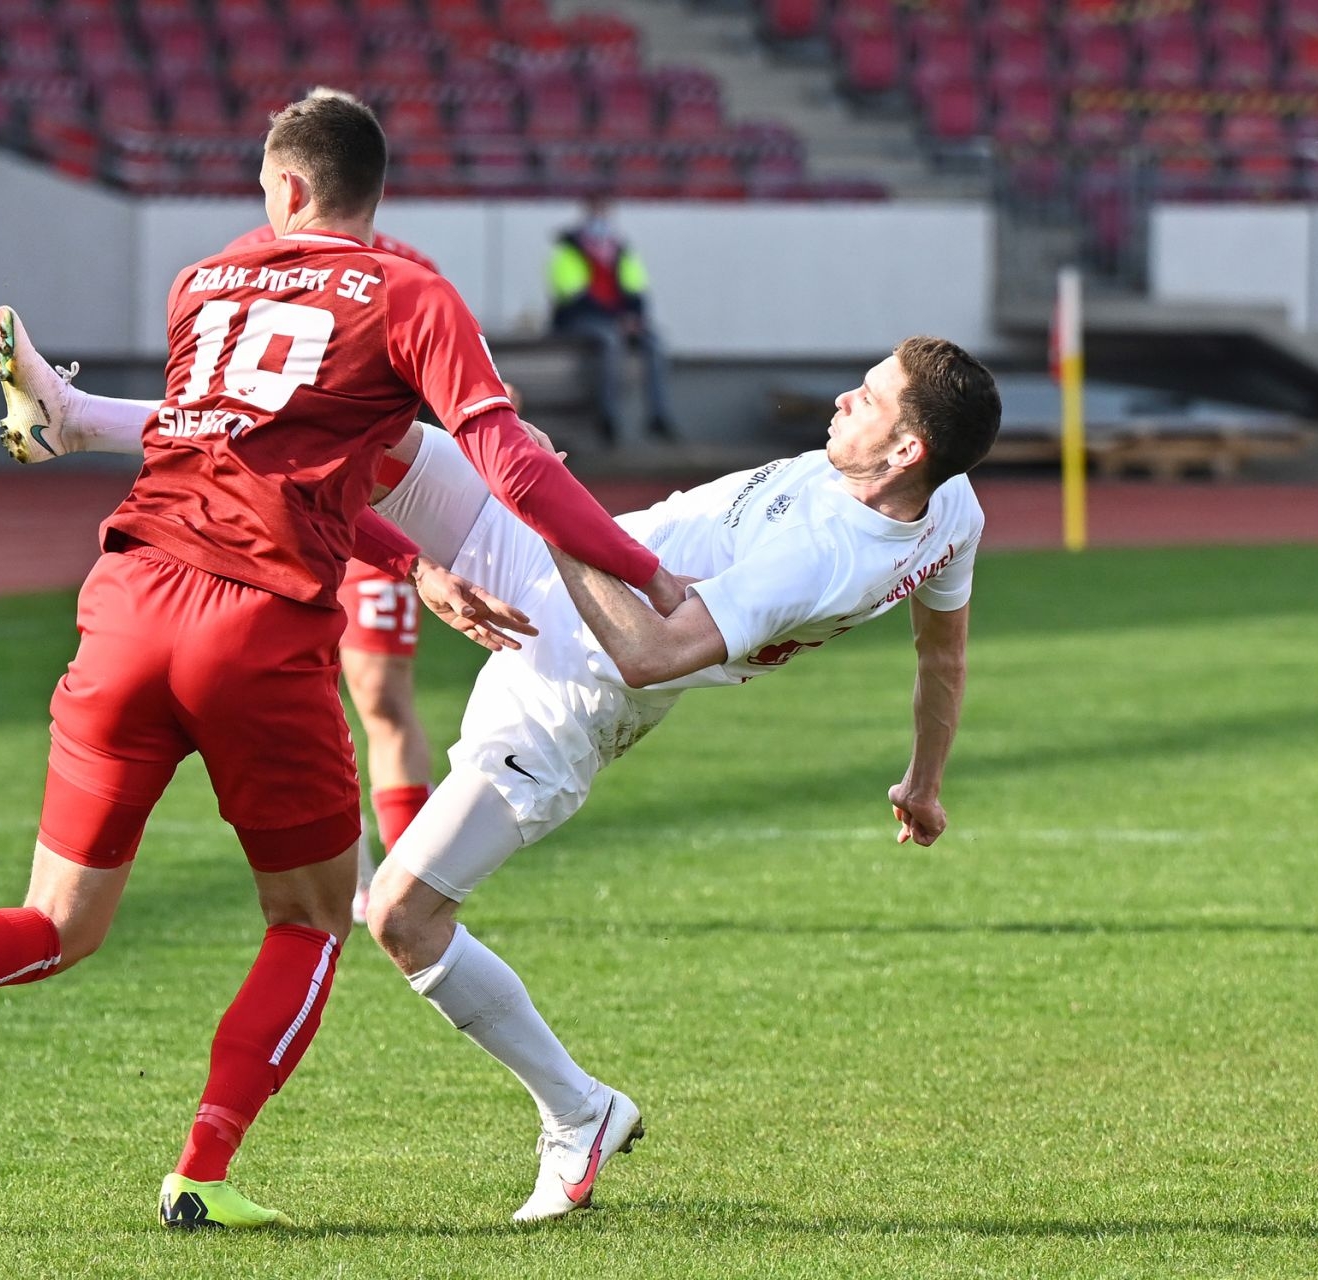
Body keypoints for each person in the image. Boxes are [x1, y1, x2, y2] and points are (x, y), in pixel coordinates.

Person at [0, 90, 686, 1233]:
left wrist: (411, 563)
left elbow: (245, 455)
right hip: (254, 631)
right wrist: (644, 571)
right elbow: (514, 468)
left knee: (58, 920)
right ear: (371, 194)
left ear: (287, 187)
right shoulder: (408, 291)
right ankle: (201, 1170)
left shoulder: (207, 281)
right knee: (314, 915)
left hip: (127, 601)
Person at [359, 336, 1001, 1221]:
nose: (844, 400)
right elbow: (943, 653)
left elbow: (648, 654)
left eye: (868, 397)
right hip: (565, 553)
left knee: (402, 915)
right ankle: (137, 430)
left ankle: (578, 1111)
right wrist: (924, 784)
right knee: (357, 439)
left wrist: (545, 499)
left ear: (906, 451)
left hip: (573, 687)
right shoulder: (951, 500)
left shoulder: (824, 557)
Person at [219, 217, 442, 923]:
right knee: (298, 702)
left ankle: (415, 885)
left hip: (374, 511)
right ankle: (349, 870)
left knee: (380, 695)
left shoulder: (405, 268)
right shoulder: (249, 258)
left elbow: (454, 386)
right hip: (280, 521)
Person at [548, 195, 679, 446]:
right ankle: (607, 418)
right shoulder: (567, 249)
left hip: (618, 320)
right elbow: (573, 295)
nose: (600, 220)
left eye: (604, 213)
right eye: (596, 212)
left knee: (654, 342)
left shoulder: (621, 250)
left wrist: (634, 318)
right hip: (581, 320)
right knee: (610, 342)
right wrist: (617, 320)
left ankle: (658, 416)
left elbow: (636, 287)